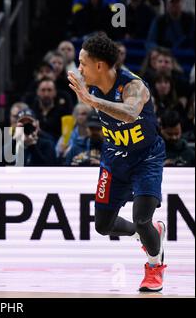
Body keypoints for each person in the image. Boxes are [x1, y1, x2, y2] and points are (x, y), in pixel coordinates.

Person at [67, 32, 167, 292]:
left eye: (83, 63)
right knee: (102, 225)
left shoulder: (134, 86)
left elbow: (131, 113)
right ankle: (146, 233)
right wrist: (91, 99)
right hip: (114, 157)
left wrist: (92, 101)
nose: (79, 68)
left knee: (142, 217)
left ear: (99, 65)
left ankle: (154, 267)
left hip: (146, 157)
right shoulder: (89, 84)